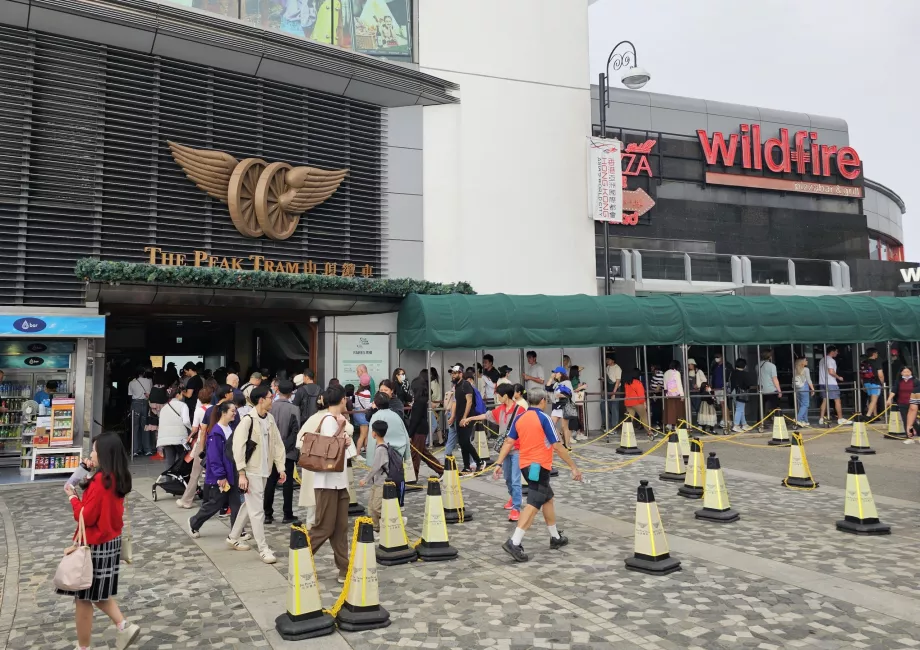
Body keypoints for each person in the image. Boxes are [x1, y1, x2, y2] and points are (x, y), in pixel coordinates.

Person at [59, 432, 140, 650]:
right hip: (110, 540)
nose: (91, 454)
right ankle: (123, 626)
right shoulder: (117, 476)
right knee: (96, 593)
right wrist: (86, 470)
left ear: (103, 453)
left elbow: (85, 516)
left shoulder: (100, 482)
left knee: (85, 597)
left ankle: (84, 647)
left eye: (94, 450)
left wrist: (72, 498)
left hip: (94, 544)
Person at [493, 389, 583, 562]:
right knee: (534, 503)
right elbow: (557, 445)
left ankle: (555, 537)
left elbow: (509, 442)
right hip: (539, 466)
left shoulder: (520, 418)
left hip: (526, 465)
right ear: (542, 401)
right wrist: (573, 467)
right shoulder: (544, 418)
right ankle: (514, 541)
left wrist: (498, 463)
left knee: (547, 498)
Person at [227, 386, 287, 564]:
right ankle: (263, 548)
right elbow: (238, 448)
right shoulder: (247, 420)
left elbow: (277, 443)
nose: (272, 399)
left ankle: (233, 536)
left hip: (264, 470)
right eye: (270, 396)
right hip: (251, 471)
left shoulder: (269, 418)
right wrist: (242, 473)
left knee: (250, 506)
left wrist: (281, 467)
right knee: (257, 511)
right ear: (261, 399)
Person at [309, 385, 358, 584]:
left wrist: (344, 433)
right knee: (324, 527)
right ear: (343, 400)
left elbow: (349, 451)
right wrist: (343, 435)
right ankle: (300, 557)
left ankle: (344, 568)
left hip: (339, 481)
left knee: (340, 528)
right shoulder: (330, 420)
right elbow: (335, 450)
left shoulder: (338, 421)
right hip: (327, 481)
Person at [463, 383, 524, 521]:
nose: (497, 398)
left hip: (517, 449)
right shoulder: (500, 409)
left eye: (499, 395)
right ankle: (513, 497)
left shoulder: (520, 410)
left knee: (515, 479)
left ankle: (516, 508)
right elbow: (486, 416)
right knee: (508, 478)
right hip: (505, 449)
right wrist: (470, 418)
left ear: (505, 396)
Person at [188, 401, 239, 538]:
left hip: (232, 471)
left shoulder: (230, 428)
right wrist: (220, 476)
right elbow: (214, 457)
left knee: (236, 503)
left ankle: (237, 531)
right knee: (215, 503)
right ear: (223, 413)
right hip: (222, 474)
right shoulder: (216, 432)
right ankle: (194, 522)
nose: (235, 413)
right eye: (232, 411)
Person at [263, 380, 301, 525]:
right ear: (291, 392)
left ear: (277, 390)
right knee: (287, 483)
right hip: (288, 451)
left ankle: (267, 513)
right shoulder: (294, 409)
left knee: (270, 482)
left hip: (271, 450)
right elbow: (295, 430)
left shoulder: (270, 407)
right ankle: (287, 513)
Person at [369, 392, 418, 493]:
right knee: (398, 479)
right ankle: (400, 504)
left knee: (382, 483)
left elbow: (371, 439)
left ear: (376, 403)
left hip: (383, 454)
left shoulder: (376, 416)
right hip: (398, 454)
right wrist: (407, 455)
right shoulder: (395, 415)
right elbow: (405, 435)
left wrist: (370, 461)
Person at [175, 386, 213, 509]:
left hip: (202, 443)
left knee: (195, 473)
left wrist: (189, 437)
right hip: (214, 443)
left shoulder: (199, 410)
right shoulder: (215, 409)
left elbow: (195, 429)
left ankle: (187, 500)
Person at [294, 393, 328, 529]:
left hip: (311, 461)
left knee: (312, 493)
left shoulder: (312, 418)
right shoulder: (331, 418)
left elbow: (299, 440)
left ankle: (310, 521)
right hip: (325, 461)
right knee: (325, 493)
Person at [447, 365, 484, 475]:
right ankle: (466, 466)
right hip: (459, 418)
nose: (453, 375)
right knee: (462, 443)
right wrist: (453, 417)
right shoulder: (456, 386)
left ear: (461, 374)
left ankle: (479, 461)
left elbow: (469, 401)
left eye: (455, 373)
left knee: (465, 441)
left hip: (467, 417)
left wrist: (465, 417)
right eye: (452, 373)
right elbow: (455, 402)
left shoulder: (465, 384)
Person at [405, 374, 443, 480]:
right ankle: (441, 470)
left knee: (415, 455)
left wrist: (410, 434)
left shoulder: (418, 402)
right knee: (423, 454)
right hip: (422, 429)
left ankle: (413, 477)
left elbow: (414, 420)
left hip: (418, 430)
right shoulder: (422, 400)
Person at [359, 419, 394, 532]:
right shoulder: (382, 446)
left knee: (376, 507)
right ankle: (376, 528)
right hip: (377, 481)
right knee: (371, 507)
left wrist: (365, 479)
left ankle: (395, 519)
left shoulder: (381, 449)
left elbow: (375, 468)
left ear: (374, 433)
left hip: (381, 482)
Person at [157, 390, 190, 468]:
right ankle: (180, 479)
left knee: (169, 462)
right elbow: (186, 421)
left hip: (166, 438)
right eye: (182, 394)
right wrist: (191, 429)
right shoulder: (183, 405)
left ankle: (169, 479)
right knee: (181, 460)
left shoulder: (164, 407)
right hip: (180, 437)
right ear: (178, 395)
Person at [818, 346, 850, 426]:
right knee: (837, 400)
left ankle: (821, 418)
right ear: (832, 351)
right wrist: (839, 377)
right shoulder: (831, 360)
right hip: (831, 383)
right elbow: (831, 371)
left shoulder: (822, 359)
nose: (837, 353)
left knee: (825, 400)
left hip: (822, 382)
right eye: (836, 351)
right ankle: (840, 418)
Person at [887, 365, 920, 442]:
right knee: (906, 420)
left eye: (908, 371)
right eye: (904, 372)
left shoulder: (915, 381)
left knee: (913, 420)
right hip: (902, 403)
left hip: (913, 403)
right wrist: (889, 399)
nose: (906, 373)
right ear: (901, 373)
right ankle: (910, 436)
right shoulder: (899, 381)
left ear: (911, 372)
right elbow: (894, 390)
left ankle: (913, 434)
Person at [545, 366, 574, 448]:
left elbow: (570, 394)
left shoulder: (567, 383)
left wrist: (562, 395)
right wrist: (550, 378)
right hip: (556, 406)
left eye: (556, 372)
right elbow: (547, 387)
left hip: (564, 405)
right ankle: (560, 441)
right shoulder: (556, 384)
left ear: (561, 374)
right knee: (551, 424)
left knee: (564, 426)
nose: (554, 374)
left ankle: (567, 445)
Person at [127, 366, 152, 457]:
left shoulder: (131, 383)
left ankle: (135, 450)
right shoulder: (149, 381)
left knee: (135, 428)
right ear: (144, 373)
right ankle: (147, 449)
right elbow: (150, 393)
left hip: (135, 404)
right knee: (145, 427)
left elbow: (130, 396)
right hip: (145, 404)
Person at [622, 369, 650, 439]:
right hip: (637, 402)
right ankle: (649, 432)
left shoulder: (627, 383)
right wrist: (643, 403)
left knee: (629, 419)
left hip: (628, 402)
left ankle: (626, 433)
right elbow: (641, 395)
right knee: (644, 418)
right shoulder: (638, 383)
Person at [861, 347, 885, 419]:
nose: (877, 355)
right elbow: (880, 375)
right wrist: (882, 383)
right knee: (874, 400)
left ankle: (875, 415)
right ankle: (868, 415)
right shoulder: (876, 362)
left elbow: (861, 375)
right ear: (874, 354)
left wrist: (863, 385)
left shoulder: (864, 362)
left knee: (871, 399)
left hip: (866, 382)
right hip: (875, 382)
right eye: (877, 353)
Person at [758, 348, 781, 422]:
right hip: (771, 389)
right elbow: (774, 379)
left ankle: (760, 421)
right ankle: (777, 420)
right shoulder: (772, 366)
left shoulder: (757, 365)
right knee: (775, 406)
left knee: (761, 406)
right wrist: (779, 390)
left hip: (761, 389)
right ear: (770, 356)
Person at [730, 358, 752, 432]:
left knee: (740, 409)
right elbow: (748, 384)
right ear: (744, 366)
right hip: (741, 393)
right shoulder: (744, 374)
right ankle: (736, 425)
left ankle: (744, 424)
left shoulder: (733, 373)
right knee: (740, 409)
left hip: (733, 392)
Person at [353, 374, 373, 452]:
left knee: (365, 434)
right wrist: (374, 403)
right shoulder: (367, 393)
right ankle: (358, 453)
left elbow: (355, 404)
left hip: (356, 412)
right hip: (362, 414)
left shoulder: (357, 391)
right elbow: (367, 406)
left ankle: (366, 450)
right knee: (363, 435)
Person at [793, 356, 815, 427]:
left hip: (797, 388)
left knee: (801, 405)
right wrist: (812, 389)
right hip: (804, 387)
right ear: (802, 362)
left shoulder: (795, 369)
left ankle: (804, 420)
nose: (807, 361)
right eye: (806, 360)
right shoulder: (806, 369)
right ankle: (798, 419)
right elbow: (809, 380)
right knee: (805, 404)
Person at [663, 361, 685, 431]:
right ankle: (675, 425)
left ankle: (670, 424)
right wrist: (682, 395)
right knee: (678, 410)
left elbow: (665, 385)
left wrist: (666, 393)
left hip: (669, 394)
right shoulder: (676, 373)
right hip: (676, 394)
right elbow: (679, 384)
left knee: (670, 410)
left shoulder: (666, 373)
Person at [603, 354, 622, 431]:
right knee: (605, 406)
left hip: (615, 389)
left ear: (613, 360)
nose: (607, 360)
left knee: (614, 408)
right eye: (606, 359)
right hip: (608, 388)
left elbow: (617, 382)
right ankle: (608, 424)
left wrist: (614, 393)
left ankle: (614, 427)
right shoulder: (607, 367)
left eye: (609, 359)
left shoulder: (617, 368)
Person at [710, 353, 728, 429]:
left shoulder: (726, 366)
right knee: (721, 404)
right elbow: (713, 377)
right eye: (715, 357)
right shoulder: (715, 366)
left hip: (723, 388)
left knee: (723, 404)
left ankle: (725, 420)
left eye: (718, 357)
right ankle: (725, 420)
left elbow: (728, 376)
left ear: (722, 357)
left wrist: (726, 385)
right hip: (716, 388)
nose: (716, 359)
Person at [648, 363, 665, 428]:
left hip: (657, 393)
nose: (651, 368)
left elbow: (659, 384)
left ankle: (658, 423)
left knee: (657, 408)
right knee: (655, 408)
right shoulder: (655, 373)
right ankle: (657, 422)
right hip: (654, 392)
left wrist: (655, 392)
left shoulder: (659, 373)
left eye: (652, 367)